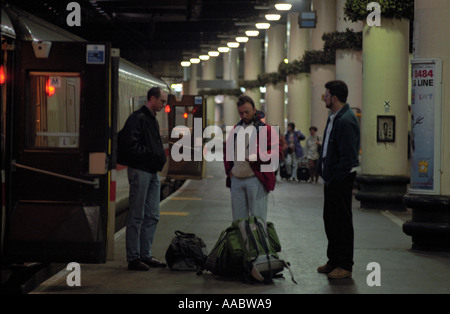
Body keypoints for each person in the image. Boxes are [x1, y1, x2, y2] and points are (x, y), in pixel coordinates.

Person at [117, 86, 169, 271]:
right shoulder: (137, 118)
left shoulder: (151, 119)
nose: (164, 105)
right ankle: (134, 258)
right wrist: (150, 157)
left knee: (153, 214)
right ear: (152, 99)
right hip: (140, 171)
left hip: (152, 172)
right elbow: (130, 146)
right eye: (162, 101)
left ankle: (145, 254)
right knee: (137, 215)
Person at [317, 80, 360, 279]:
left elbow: (349, 156)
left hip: (340, 180)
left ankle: (345, 265)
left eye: (326, 95)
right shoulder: (333, 117)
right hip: (331, 178)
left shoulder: (346, 120)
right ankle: (333, 260)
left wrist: (336, 177)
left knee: (342, 222)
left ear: (334, 97)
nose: (324, 98)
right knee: (330, 220)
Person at [223, 95, 277, 222]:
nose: (244, 116)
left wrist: (258, 157)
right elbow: (227, 152)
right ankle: (243, 243)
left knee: (257, 222)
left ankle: (257, 242)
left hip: (256, 179)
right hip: (236, 180)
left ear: (254, 109)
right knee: (238, 223)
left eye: (247, 112)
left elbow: (276, 153)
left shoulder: (266, 129)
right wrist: (229, 171)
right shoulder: (236, 130)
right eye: (241, 113)